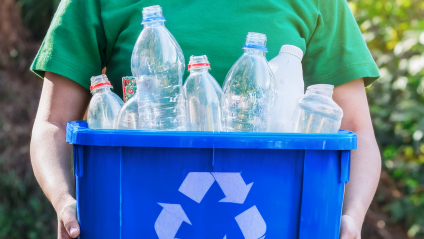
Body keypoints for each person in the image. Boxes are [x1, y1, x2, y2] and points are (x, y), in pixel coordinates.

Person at [30, 0, 381, 238]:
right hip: (138, 212)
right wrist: (66, 200)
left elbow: (354, 128)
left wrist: (351, 216)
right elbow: (55, 122)